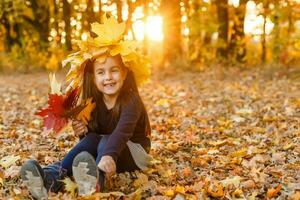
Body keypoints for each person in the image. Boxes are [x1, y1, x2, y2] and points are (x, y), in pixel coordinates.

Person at [20, 15, 152, 199]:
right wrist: (83, 133)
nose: (108, 77)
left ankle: (97, 179)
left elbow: (122, 132)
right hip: (108, 150)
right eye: (101, 72)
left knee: (106, 140)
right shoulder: (92, 103)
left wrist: (108, 155)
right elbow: (93, 140)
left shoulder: (131, 100)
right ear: (94, 78)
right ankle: (51, 177)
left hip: (135, 153)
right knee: (92, 140)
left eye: (114, 70)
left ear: (124, 74)